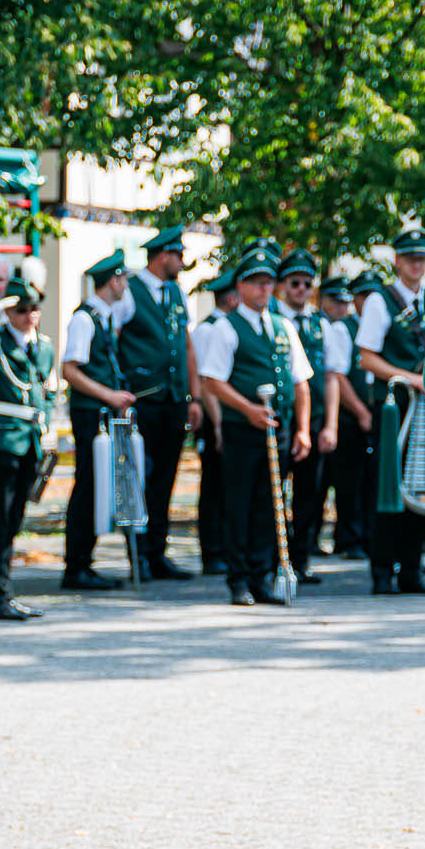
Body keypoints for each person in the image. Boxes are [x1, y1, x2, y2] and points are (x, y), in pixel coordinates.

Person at [197, 248, 312, 605]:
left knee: (271, 503)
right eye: (256, 283)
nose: (264, 290)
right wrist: (247, 409)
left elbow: (301, 382)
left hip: (277, 427)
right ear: (241, 287)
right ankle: (239, 580)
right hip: (242, 428)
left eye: (268, 283)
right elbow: (211, 380)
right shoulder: (225, 328)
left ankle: (262, 576)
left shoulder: (283, 327)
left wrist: (303, 429)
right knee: (239, 503)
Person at [357, 227, 425, 594]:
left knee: (422, 484)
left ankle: (412, 568)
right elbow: (367, 358)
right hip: (393, 404)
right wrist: (409, 378)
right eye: (410, 258)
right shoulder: (380, 300)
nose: (416, 264)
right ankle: (381, 571)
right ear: (397, 260)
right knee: (388, 487)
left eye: (422, 258)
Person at [117, 225, 203, 579]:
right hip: (142, 400)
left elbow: (186, 345)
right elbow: (114, 339)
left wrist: (194, 397)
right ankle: (138, 554)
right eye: (179, 256)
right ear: (163, 255)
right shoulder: (130, 291)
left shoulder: (176, 294)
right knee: (138, 476)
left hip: (172, 399)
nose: (182, 264)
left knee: (165, 478)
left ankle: (157, 551)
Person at [0, 276, 54, 620]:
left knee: (14, 520)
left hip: (30, 440)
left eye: (34, 308)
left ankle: (4, 590)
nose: (30, 315)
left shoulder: (43, 346)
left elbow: (45, 391)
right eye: (21, 309)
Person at [61, 250, 133, 590]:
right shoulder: (85, 318)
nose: (125, 286)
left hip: (103, 411)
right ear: (114, 280)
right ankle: (76, 565)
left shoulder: (104, 317)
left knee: (98, 484)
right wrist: (108, 396)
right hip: (90, 412)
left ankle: (84, 562)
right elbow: (70, 370)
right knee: (87, 484)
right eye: (124, 280)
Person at [275, 249, 331, 585]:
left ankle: (301, 558)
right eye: (294, 283)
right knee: (275, 493)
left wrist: (331, 424)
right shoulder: (272, 319)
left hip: (315, 418)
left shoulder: (319, 323)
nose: (301, 289)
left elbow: (334, 376)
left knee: (310, 495)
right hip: (281, 419)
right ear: (282, 285)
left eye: (307, 283)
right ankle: (275, 559)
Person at [317, 270, 368, 560]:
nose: (343, 308)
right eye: (337, 302)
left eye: (346, 302)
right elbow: (337, 376)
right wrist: (360, 411)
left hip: (354, 416)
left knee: (358, 482)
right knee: (341, 482)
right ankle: (346, 537)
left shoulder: (355, 327)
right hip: (343, 418)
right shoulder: (339, 328)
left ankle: (352, 536)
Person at [191, 269, 235, 576]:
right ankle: (213, 552)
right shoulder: (210, 329)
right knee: (214, 487)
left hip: (227, 413)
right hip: (213, 415)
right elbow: (208, 382)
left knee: (226, 486)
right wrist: (217, 423)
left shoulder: (224, 325)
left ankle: (224, 549)